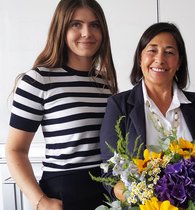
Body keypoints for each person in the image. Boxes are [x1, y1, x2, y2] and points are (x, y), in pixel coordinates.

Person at [5, 0, 118, 209]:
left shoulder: (106, 84)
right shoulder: (38, 80)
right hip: (64, 193)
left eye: (95, 25)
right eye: (76, 24)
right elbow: (15, 150)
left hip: (109, 190)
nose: (87, 33)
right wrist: (41, 202)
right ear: (61, 28)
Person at [99, 22, 195, 198]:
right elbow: (110, 174)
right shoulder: (119, 105)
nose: (160, 59)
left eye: (169, 52)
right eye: (152, 50)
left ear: (179, 61)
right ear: (140, 57)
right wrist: (141, 197)